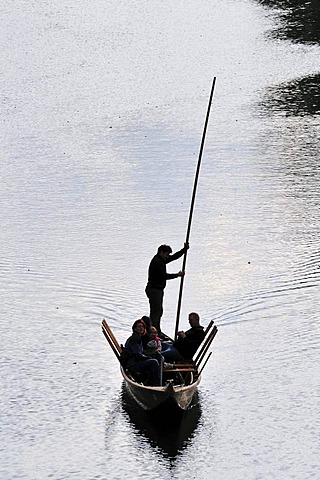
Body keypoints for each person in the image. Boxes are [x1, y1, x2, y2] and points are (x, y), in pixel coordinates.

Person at [145, 242, 189, 335]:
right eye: (166, 254)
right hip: (154, 290)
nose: (167, 256)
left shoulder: (161, 259)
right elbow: (164, 276)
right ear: (161, 252)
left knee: (159, 311)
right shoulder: (157, 262)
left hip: (158, 290)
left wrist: (184, 250)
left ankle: (157, 330)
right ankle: (151, 332)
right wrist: (177, 275)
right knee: (156, 312)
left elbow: (173, 257)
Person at [124, 319, 161, 386]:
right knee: (154, 362)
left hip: (133, 362)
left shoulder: (137, 337)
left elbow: (139, 353)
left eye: (142, 327)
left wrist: (147, 357)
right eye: (139, 327)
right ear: (135, 329)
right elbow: (137, 354)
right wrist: (148, 358)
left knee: (154, 359)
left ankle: (149, 381)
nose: (141, 328)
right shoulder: (135, 339)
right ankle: (156, 385)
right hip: (133, 364)